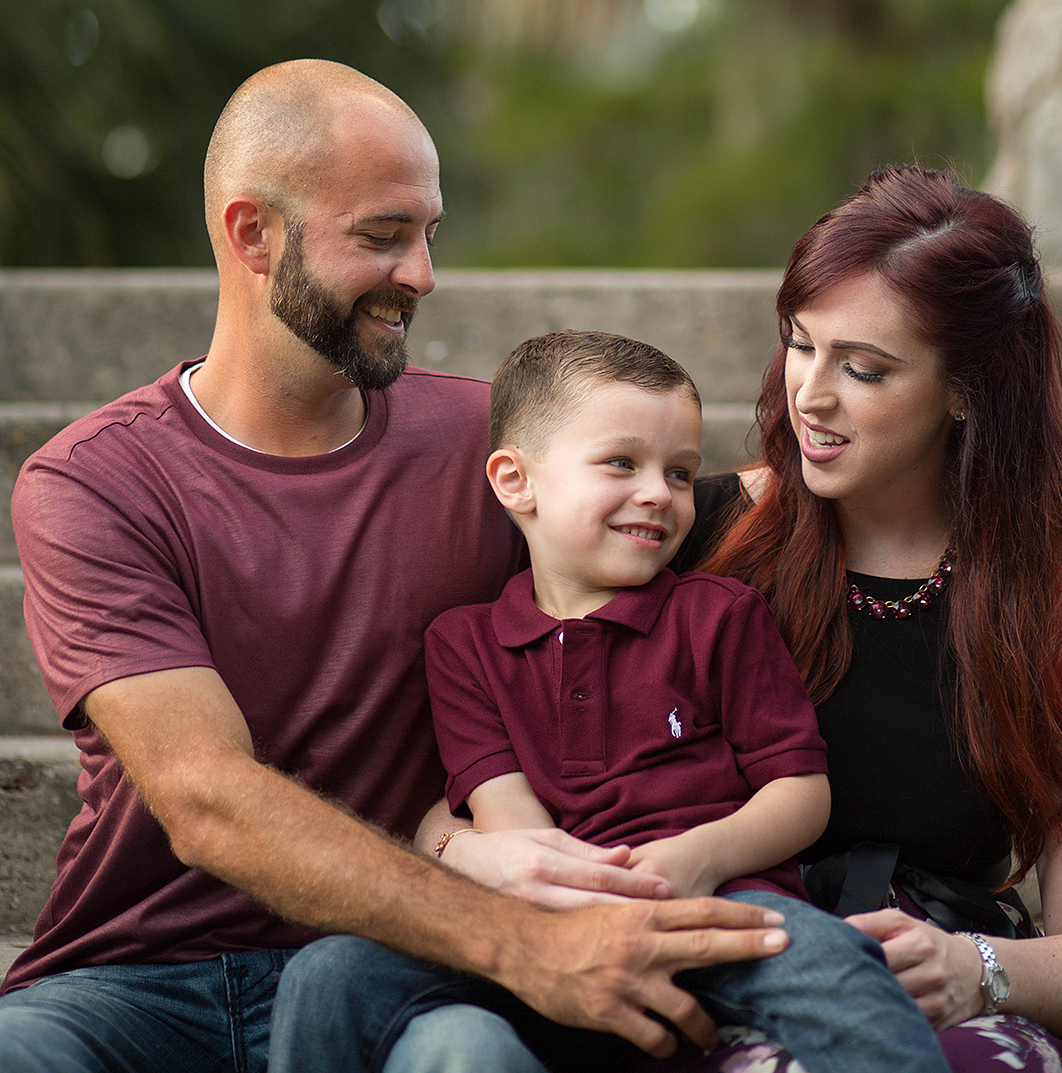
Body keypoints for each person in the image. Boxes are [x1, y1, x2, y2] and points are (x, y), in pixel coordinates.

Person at [0, 60, 800, 1073]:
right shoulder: (96, 483)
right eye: (382, 235)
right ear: (254, 235)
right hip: (134, 981)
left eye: (430, 234)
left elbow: (716, 501)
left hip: (399, 965)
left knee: (469, 1060)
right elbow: (207, 798)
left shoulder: (485, 443)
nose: (423, 274)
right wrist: (526, 944)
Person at [267, 330, 949, 1073]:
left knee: (843, 970)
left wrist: (697, 858)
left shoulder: (721, 614)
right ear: (515, 481)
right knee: (327, 974)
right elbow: (509, 820)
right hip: (544, 933)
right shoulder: (462, 644)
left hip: (718, 910)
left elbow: (799, 792)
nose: (659, 492)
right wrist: (577, 915)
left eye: (682, 473)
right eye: (622, 463)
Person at [695, 164, 1062, 1073]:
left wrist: (978, 969)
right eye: (800, 345)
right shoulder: (702, 536)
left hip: (941, 982)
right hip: (729, 966)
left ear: (965, 389)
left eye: (864, 368)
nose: (811, 396)